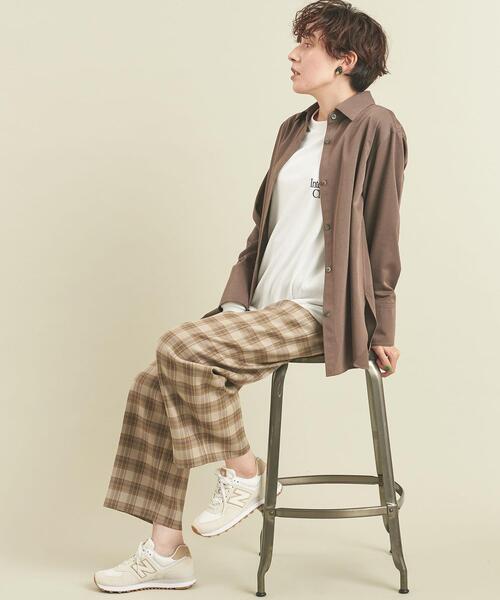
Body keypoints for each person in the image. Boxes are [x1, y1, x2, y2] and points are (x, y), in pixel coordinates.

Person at [93, 0, 408, 592]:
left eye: (307, 45)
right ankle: (166, 550)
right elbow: (263, 232)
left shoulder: (377, 126)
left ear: (345, 60)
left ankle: (244, 472)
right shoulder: (292, 130)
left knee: (179, 346)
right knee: (152, 383)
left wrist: (383, 325)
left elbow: (382, 230)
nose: (293, 54)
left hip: (320, 312)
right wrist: (235, 303)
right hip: (265, 307)